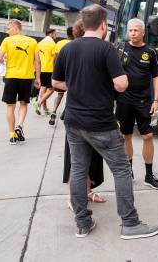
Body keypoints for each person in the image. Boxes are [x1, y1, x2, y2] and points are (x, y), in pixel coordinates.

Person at [52, 4, 158, 239]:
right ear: (103, 25)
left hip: (73, 121)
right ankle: (130, 224)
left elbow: (55, 83)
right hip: (100, 122)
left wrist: (79, 85)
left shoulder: (67, 49)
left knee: (79, 169)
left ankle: (82, 222)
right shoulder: (107, 49)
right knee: (121, 170)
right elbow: (121, 83)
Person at [60, 20, 106, 208]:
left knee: (90, 158)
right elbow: (57, 81)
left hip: (95, 114)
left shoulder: (98, 50)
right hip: (78, 113)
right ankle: (73, 197)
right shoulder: (70, 51)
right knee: (76, 160)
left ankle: (86, 191)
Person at [116, 18, 158, 190]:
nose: (133, 33)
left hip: (144, 101)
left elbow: (156, 76)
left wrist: (156, 100)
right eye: (130, 30)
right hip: (123, 100)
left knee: (148, 136)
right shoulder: (119, 49)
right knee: (125, 136)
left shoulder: (150, 52)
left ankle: (149, 175)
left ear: (143, 32)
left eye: (136, 30)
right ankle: (128, 171)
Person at [0, 20, 41, 145]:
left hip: (11, 77)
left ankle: (12, 135)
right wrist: (38, 77)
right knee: (23, 103)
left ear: (16, 28)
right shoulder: (32, 41)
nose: (7, 31)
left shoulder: (7, 41)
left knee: (10, 106)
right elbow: (37, 61)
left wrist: (5, 58)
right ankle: (19, 126)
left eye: (8, 28)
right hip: (26, 78)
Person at [49, 26, 73, 126]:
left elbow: (55, 59)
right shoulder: (75, 44)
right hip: (71, 73)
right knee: (71, 94)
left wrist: (55, 71)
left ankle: (54, 111)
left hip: (61, 73)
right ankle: (66, 112)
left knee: (59, 94)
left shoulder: (59, 43)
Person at [33, 29, 57, 116]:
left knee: (43, 88)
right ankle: (38, 103)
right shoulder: (53, 44)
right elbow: (55, 59)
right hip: (50, 69)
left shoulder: (39, 44)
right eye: (55, 34)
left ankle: (45, 109)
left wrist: (37, 73)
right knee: (52, 88)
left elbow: (37, 60)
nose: (56, 35)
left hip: (41, 69)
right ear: (51, 34)